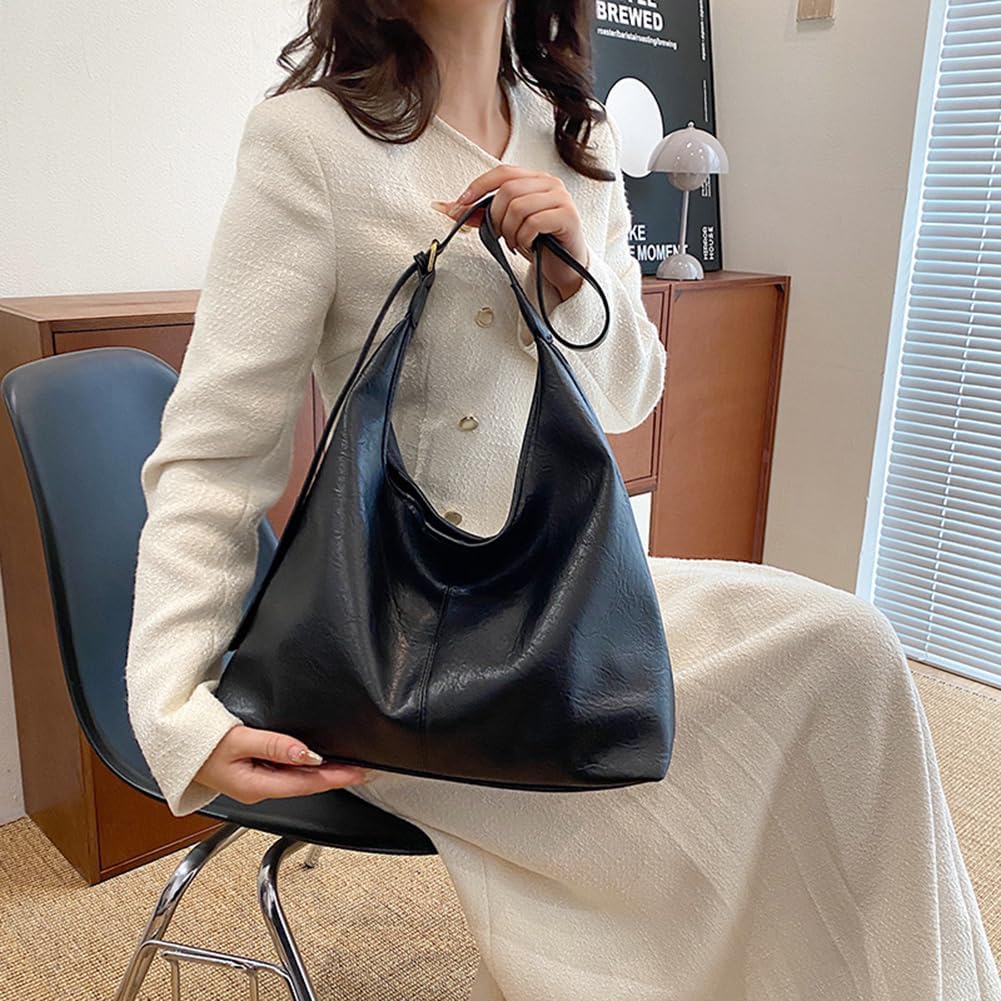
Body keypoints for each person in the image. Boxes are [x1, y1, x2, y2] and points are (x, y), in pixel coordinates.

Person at [124, 1, 1001, 998]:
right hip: (407, 645)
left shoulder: (577, 138)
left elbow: (630, 393)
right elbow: (214, 452)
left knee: (847, 646)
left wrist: (573, 279)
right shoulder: (313, 142)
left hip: (568, 592)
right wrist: (173, 704)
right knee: (687, 797)